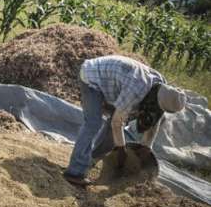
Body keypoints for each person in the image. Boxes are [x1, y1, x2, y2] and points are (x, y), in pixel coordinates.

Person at [63, 55, 186, 186]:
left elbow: (156, 119)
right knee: (93, 123)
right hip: (92, 77)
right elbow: (117, 122)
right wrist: (121, 149)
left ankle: (93, 159)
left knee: (115, 127)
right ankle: (74, 172)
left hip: (114, 86)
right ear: (155, 99)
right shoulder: (136, 88)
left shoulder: (162, 88)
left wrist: (146, 147)